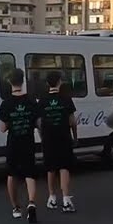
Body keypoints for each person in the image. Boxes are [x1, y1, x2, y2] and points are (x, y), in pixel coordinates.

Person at [0, 68, 39, 222]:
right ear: (22, 81)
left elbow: (3, 128)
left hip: (13, 143)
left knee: (12, 174)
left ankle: (16, 207)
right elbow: (38, 123)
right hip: (28, 142)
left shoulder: (6, 103)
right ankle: (32, 203)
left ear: (10, 82)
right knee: (30, 174)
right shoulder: (31, 101)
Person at [38, 71, 78, 212]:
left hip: (48, 138)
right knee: (64, 167)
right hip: (64, 136)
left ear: (47, 83)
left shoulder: (42, 100)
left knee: (51, 168)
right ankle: (66, 200)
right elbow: (72, 121)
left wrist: (42, 137)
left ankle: (52, 198)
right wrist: (75, 137)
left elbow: (39, 123)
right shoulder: (66, 99)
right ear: (60, 82)